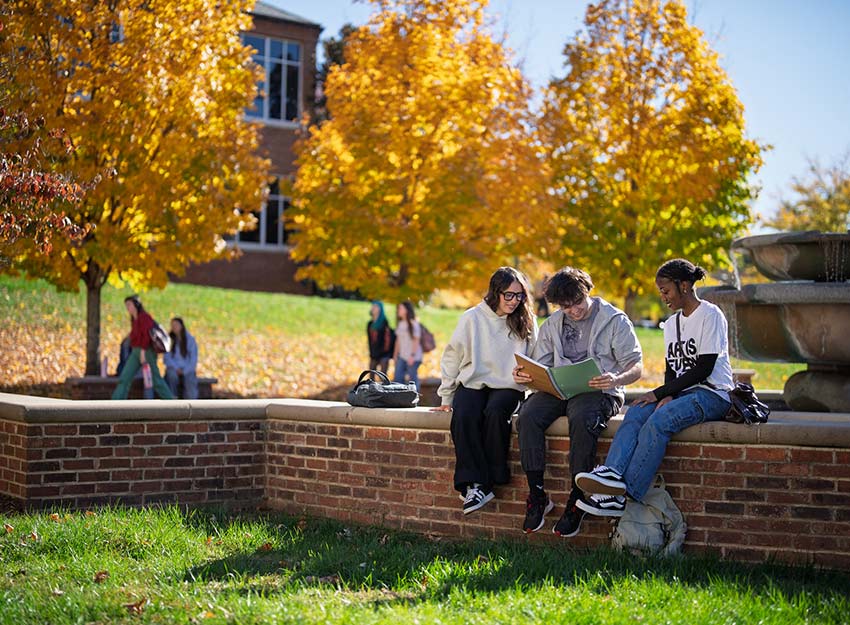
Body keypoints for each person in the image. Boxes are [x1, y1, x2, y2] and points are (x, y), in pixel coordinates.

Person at [575, 258, 733, 517]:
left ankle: (626, 494)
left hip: (713, 393)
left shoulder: (710, 314)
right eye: (660, 291)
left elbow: (704, 367)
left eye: (665, 290)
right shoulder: (671, 324)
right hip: (684, 392)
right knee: (637, 411)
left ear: (684, 286)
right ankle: (612, 474)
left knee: (660, 420)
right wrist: (667, 392)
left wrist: (660, 393)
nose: (662, 297)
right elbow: (672, 368)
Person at [513, 267, 643, 536]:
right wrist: (526, 376)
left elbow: (636, 366)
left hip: (601, 392)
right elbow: (543, 366)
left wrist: (616, 378)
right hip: (561, 390)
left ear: (587, 291)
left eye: (577, 302)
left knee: (582, 417)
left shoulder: (615, 320)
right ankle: (537, 494)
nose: (573, 310)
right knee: (527, 415)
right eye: (565, 306)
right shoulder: (552, 324)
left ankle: (578, 497)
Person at [433, 267, 538, 514]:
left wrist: (528, 377)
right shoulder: (472, 318)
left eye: (520, 295)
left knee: (494, 412)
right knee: (465, 414)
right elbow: (452, 357)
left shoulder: (527, 320)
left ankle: (489, 480)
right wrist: (446, 395)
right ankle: (474, 484)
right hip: (473, 380)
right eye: (509, 295)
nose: (515, 301)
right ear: (495, 292)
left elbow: (538, 359)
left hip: (509, 385)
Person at [111, 295, 174, 400]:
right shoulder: (134, 319)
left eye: (129, 305)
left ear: (136, 304)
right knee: (125, 377)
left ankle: (171, 402)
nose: (127, 308)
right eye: (126, 305)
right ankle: (116, 402)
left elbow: (147, 335)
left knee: (155, 380)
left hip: (147, 351)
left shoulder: (144, 317)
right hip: (136, 351)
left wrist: (143, 351)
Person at [164, 317, 199, 399]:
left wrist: (184, 371)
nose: (174, 327)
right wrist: (176, 369)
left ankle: (191, 403)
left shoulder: (190, 340)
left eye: (176, 325)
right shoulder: (169, 340)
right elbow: (167, 358)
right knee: (171, 376)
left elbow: (193, 359)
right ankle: (172, 398)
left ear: (182, 326)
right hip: (174, 368)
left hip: (187, 368)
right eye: (172, 325)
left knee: (189, 379)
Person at [393, 301, 423, 390]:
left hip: (413, 357)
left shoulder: (414, 324)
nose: (398, 310)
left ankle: (415, 398)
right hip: (402, 356)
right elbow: (398, 341)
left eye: (401, 308)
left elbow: (416, 341)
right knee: (398, 378)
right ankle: (399, 398)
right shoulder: (400, 324)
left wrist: (412, 356)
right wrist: (395, 355)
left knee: (412, 379)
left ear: (406, 310)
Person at [115, 334, 153, 399]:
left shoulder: (144, 344)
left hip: (141, 372)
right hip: (130, 371)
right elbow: (125, 361)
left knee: (149, 379)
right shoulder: (127, 343)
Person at [366, 301, 394, 376]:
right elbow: (370, 341)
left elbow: (387, 341)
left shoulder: (384, 323)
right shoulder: (370, 324)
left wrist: (382, 353)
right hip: (374, 354)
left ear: (380, 309)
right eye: (373, 306)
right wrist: (372, 353)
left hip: (384, 354)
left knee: (383, 376)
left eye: (376, 306)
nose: (373, 308)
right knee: (371, 375)